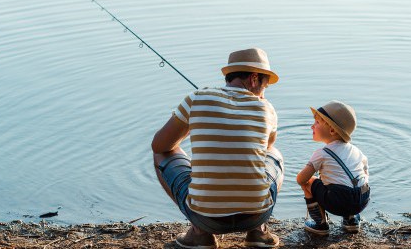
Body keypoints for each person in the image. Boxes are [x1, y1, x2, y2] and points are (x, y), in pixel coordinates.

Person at [151, 48, 284, 248]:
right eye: (265, 86)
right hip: (256, 215)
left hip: (206, 217)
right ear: (254, 79)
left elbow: (159, 145)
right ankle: (258, 232)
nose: (264, 93)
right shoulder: (267, 109)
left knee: (161, 154)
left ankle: (200, 233)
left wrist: (193, 126)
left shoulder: (196, 98)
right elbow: (267, 148)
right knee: (275, 155)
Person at [296, 100, 370, 235]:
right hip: (363, 198)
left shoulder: (321, 154)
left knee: (310, 182)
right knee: (351, 182)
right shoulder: (356, 151)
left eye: (317, 123)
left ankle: (320, 224)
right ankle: (351, 220)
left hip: (339, 201)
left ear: (331, 130)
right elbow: (365, 172)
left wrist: (314, 180)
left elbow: (301, 179)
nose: (312, 126)